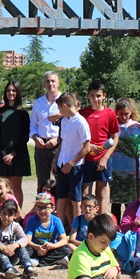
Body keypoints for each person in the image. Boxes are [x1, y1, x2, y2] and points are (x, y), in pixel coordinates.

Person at [79, 81, 119, 216]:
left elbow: (115, 138)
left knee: (101, 192)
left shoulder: (110, 113)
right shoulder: (82, 113)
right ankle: (86, 220)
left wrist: (105, 157)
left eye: (98, 96)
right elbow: (77, 137)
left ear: (104, 96)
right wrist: (89, 146)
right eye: (92, 96)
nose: (95, 99)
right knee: (86, 192)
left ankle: (101, 220)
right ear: (88, 96)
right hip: (87, 158)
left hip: (103, 159)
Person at [0, 80, 31, 208]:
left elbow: (25, 136)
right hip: (2, 154)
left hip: (18, 153)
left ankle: (17, 215)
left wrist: (13, 154)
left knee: (16, 186)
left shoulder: (23, 113)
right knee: (5, 186)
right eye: (8, 90)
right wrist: (4, 155)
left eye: (13, 90)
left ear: (18, 92)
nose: (11, 93)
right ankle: (6, 212)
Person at [53, 92, 91, 229]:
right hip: (62, 163)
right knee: (61, 197)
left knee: (76, 199)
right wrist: (56, 159)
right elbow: (62, 142)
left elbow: (86, 147)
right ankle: (59, 229)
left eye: (59, 108)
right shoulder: (64, 121)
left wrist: (72, 162)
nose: (59, 112)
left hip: (75, 166)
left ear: (64, 106)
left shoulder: (81, 122)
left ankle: (77, 229)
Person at [0, 199, 35, 279]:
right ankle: (9, 269)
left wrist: (15, 245)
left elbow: (24, 239)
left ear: (15, 216)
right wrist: (2, 247)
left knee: (21, 247)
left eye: (9, 215)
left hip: (12, 256)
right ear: (0, 212)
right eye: (4, 213)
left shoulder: (15, 226)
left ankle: (28, 266)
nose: (6, 217)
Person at [30, 71, 61, 192]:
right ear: (44, 84)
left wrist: (57, 139)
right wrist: (35, 137)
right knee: (42, 182)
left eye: (53, 81)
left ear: (58, 83)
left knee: (60, 180)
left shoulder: (64, 101)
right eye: (48, 81)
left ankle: (59, 209)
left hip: (58, 146)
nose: (50, 84)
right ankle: (41, 208)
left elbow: (69, 125)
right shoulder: (38, 103)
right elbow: (33, 124)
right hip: (41, 146)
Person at [25, 192, 71, 267]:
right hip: (35, 248)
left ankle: (39, 261)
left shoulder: (56, 221)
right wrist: (38, 247)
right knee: (24, 250)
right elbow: (27, 240)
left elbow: (64, 240)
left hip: (50, 248)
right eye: (39, 207)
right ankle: (53, 260)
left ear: (52, 208)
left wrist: (54, 246)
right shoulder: (31, 220)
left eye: (45, 207)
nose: (42, 211)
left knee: (66, 249)